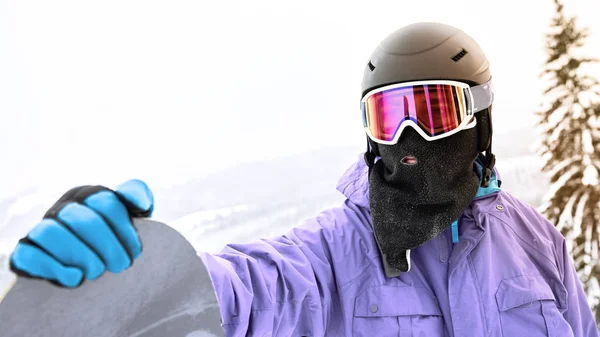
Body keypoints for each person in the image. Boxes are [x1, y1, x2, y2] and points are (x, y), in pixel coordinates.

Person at [9, 22, 599, 336]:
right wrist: (144, 281)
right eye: (389, 117)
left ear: (481, 116)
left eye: (436, 112)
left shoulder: (536, 242)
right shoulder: (337, 254)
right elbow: (254, 288)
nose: (411, 138)